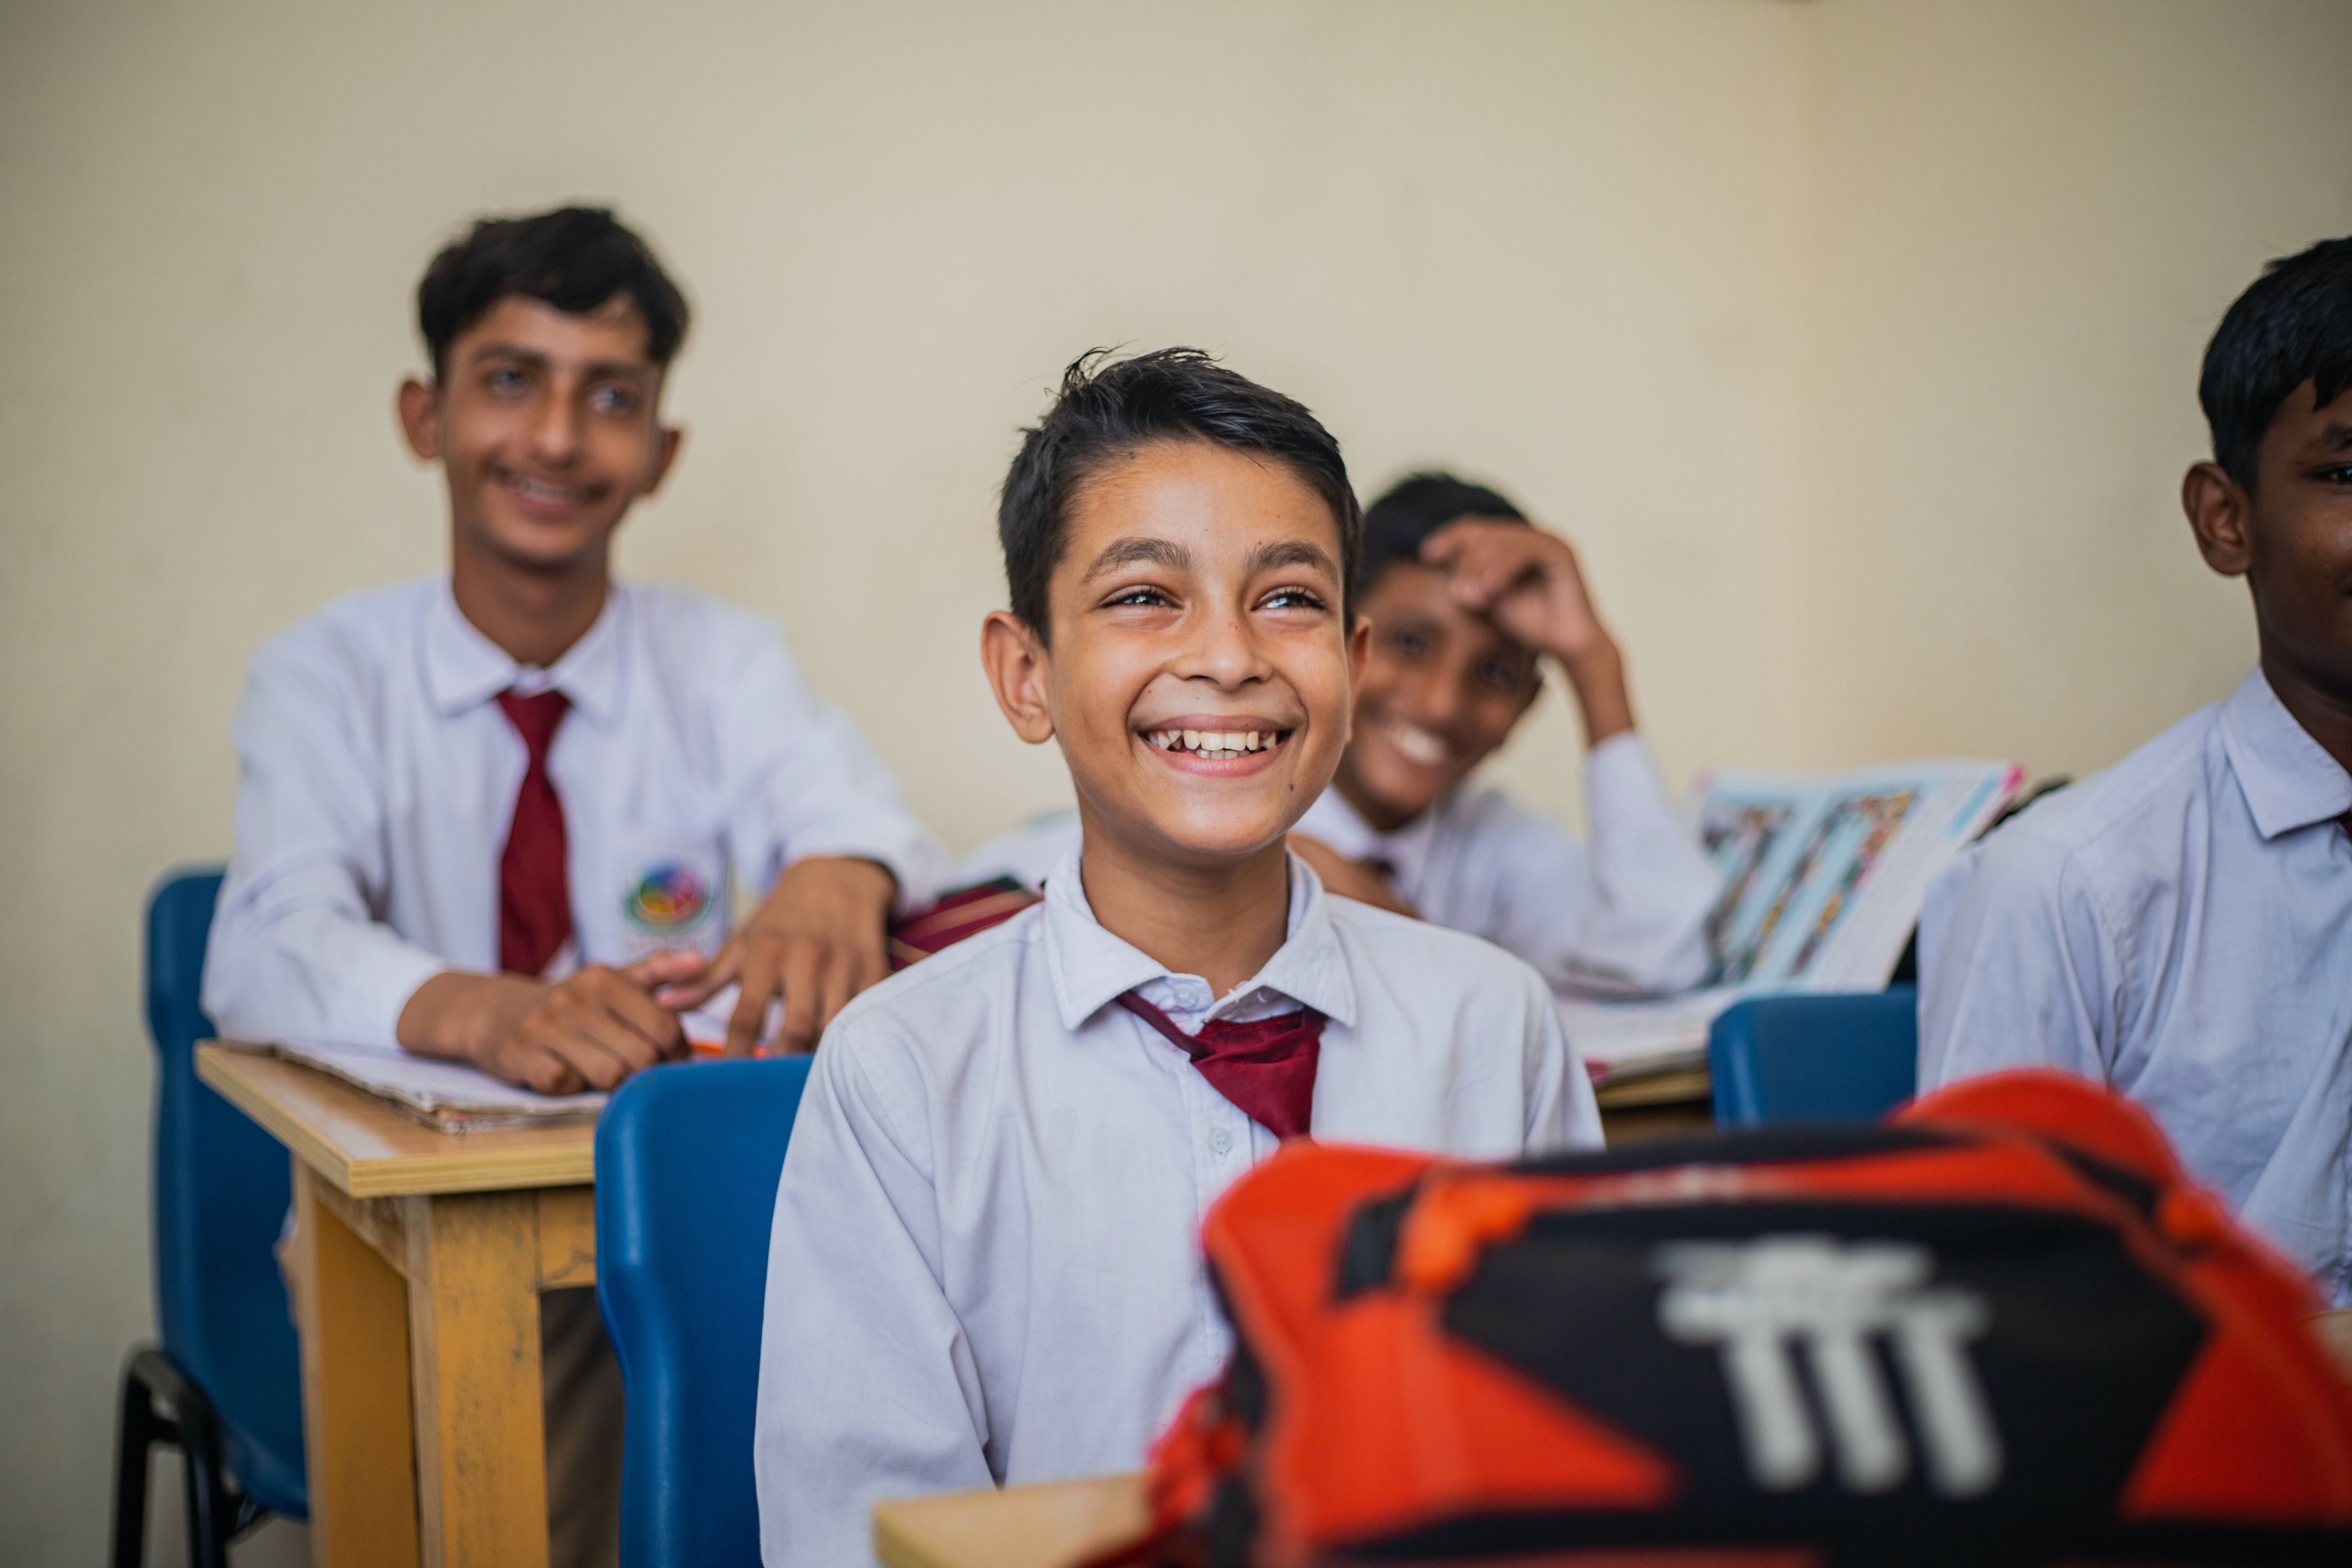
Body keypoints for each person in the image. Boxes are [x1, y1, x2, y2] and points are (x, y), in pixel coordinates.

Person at [755, 350, 1601, 1566]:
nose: (1227, 655)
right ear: (1026, 671)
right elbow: (857, 1533)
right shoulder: (904, 1071)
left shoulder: (1490, 1025)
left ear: (1352, 664)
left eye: (1289, 598)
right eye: (1146, 595)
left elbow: (1569, 1465)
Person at [201, 205, 945, 1566]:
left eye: (609, 398)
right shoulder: (326, 676)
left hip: (662, 1208)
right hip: (415, 1225)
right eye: (509, 381)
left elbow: (871, 825)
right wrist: (482, 1011)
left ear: (659, 455)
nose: (554, 438)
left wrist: (842, 868)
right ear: (423, 416)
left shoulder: (724, 663)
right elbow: (262, 941)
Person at [1918, 235, 2352, 1306]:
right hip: (2212, 1453)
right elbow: (1987, 1299)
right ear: (2227, 518)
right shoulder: (2070, 885)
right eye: (2347, 474)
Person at [960, 473, 1720, 999]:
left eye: (1494, 675)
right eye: (1411, 645)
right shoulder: (1216, 795)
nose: (1440, 703)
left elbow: (1656, 952)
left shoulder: (1492, 845)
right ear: (1339, 648)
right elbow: (1010, 887)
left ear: (1524, 710)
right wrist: (1298, 868)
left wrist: (1596, 664)